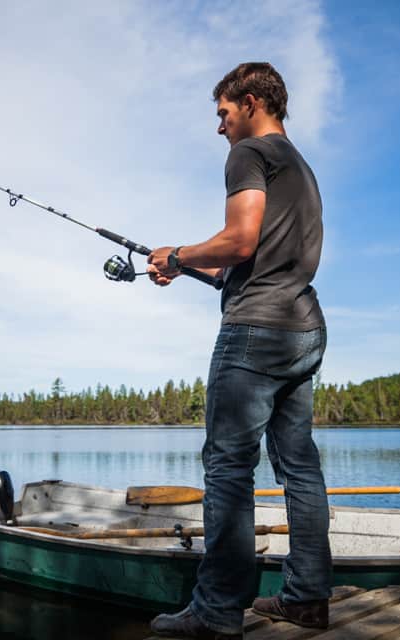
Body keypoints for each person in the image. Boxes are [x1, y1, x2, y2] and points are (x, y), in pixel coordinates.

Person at [147, 62, 333, 639]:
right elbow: (259, 256)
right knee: (299, 466)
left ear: (251, 102)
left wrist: (177, 254)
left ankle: (217, 611)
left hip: (256, 331)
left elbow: (241, 239)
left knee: (228, 467)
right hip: (303, 327)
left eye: (223, 112)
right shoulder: (298, 165)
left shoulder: (249, 154)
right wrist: (195, 269)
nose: (220, 126)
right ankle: (305, 599)